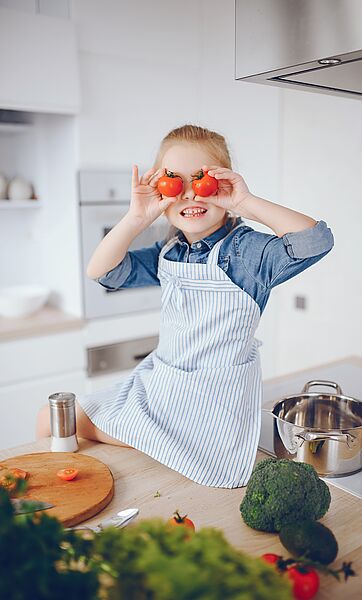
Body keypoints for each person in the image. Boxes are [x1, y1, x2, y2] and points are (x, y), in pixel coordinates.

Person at [36, 124, 334, 488]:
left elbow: (315, 241)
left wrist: (244, 202)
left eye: (203, 179)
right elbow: (102, 272)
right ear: (161, 190)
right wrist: (136, 218)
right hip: (162, 385)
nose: (192, 194)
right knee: (50, 419)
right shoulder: (170, 249)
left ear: (224, 183)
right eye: (174, 181)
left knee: (60, 424)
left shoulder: (246, 253)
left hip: (210, 401)